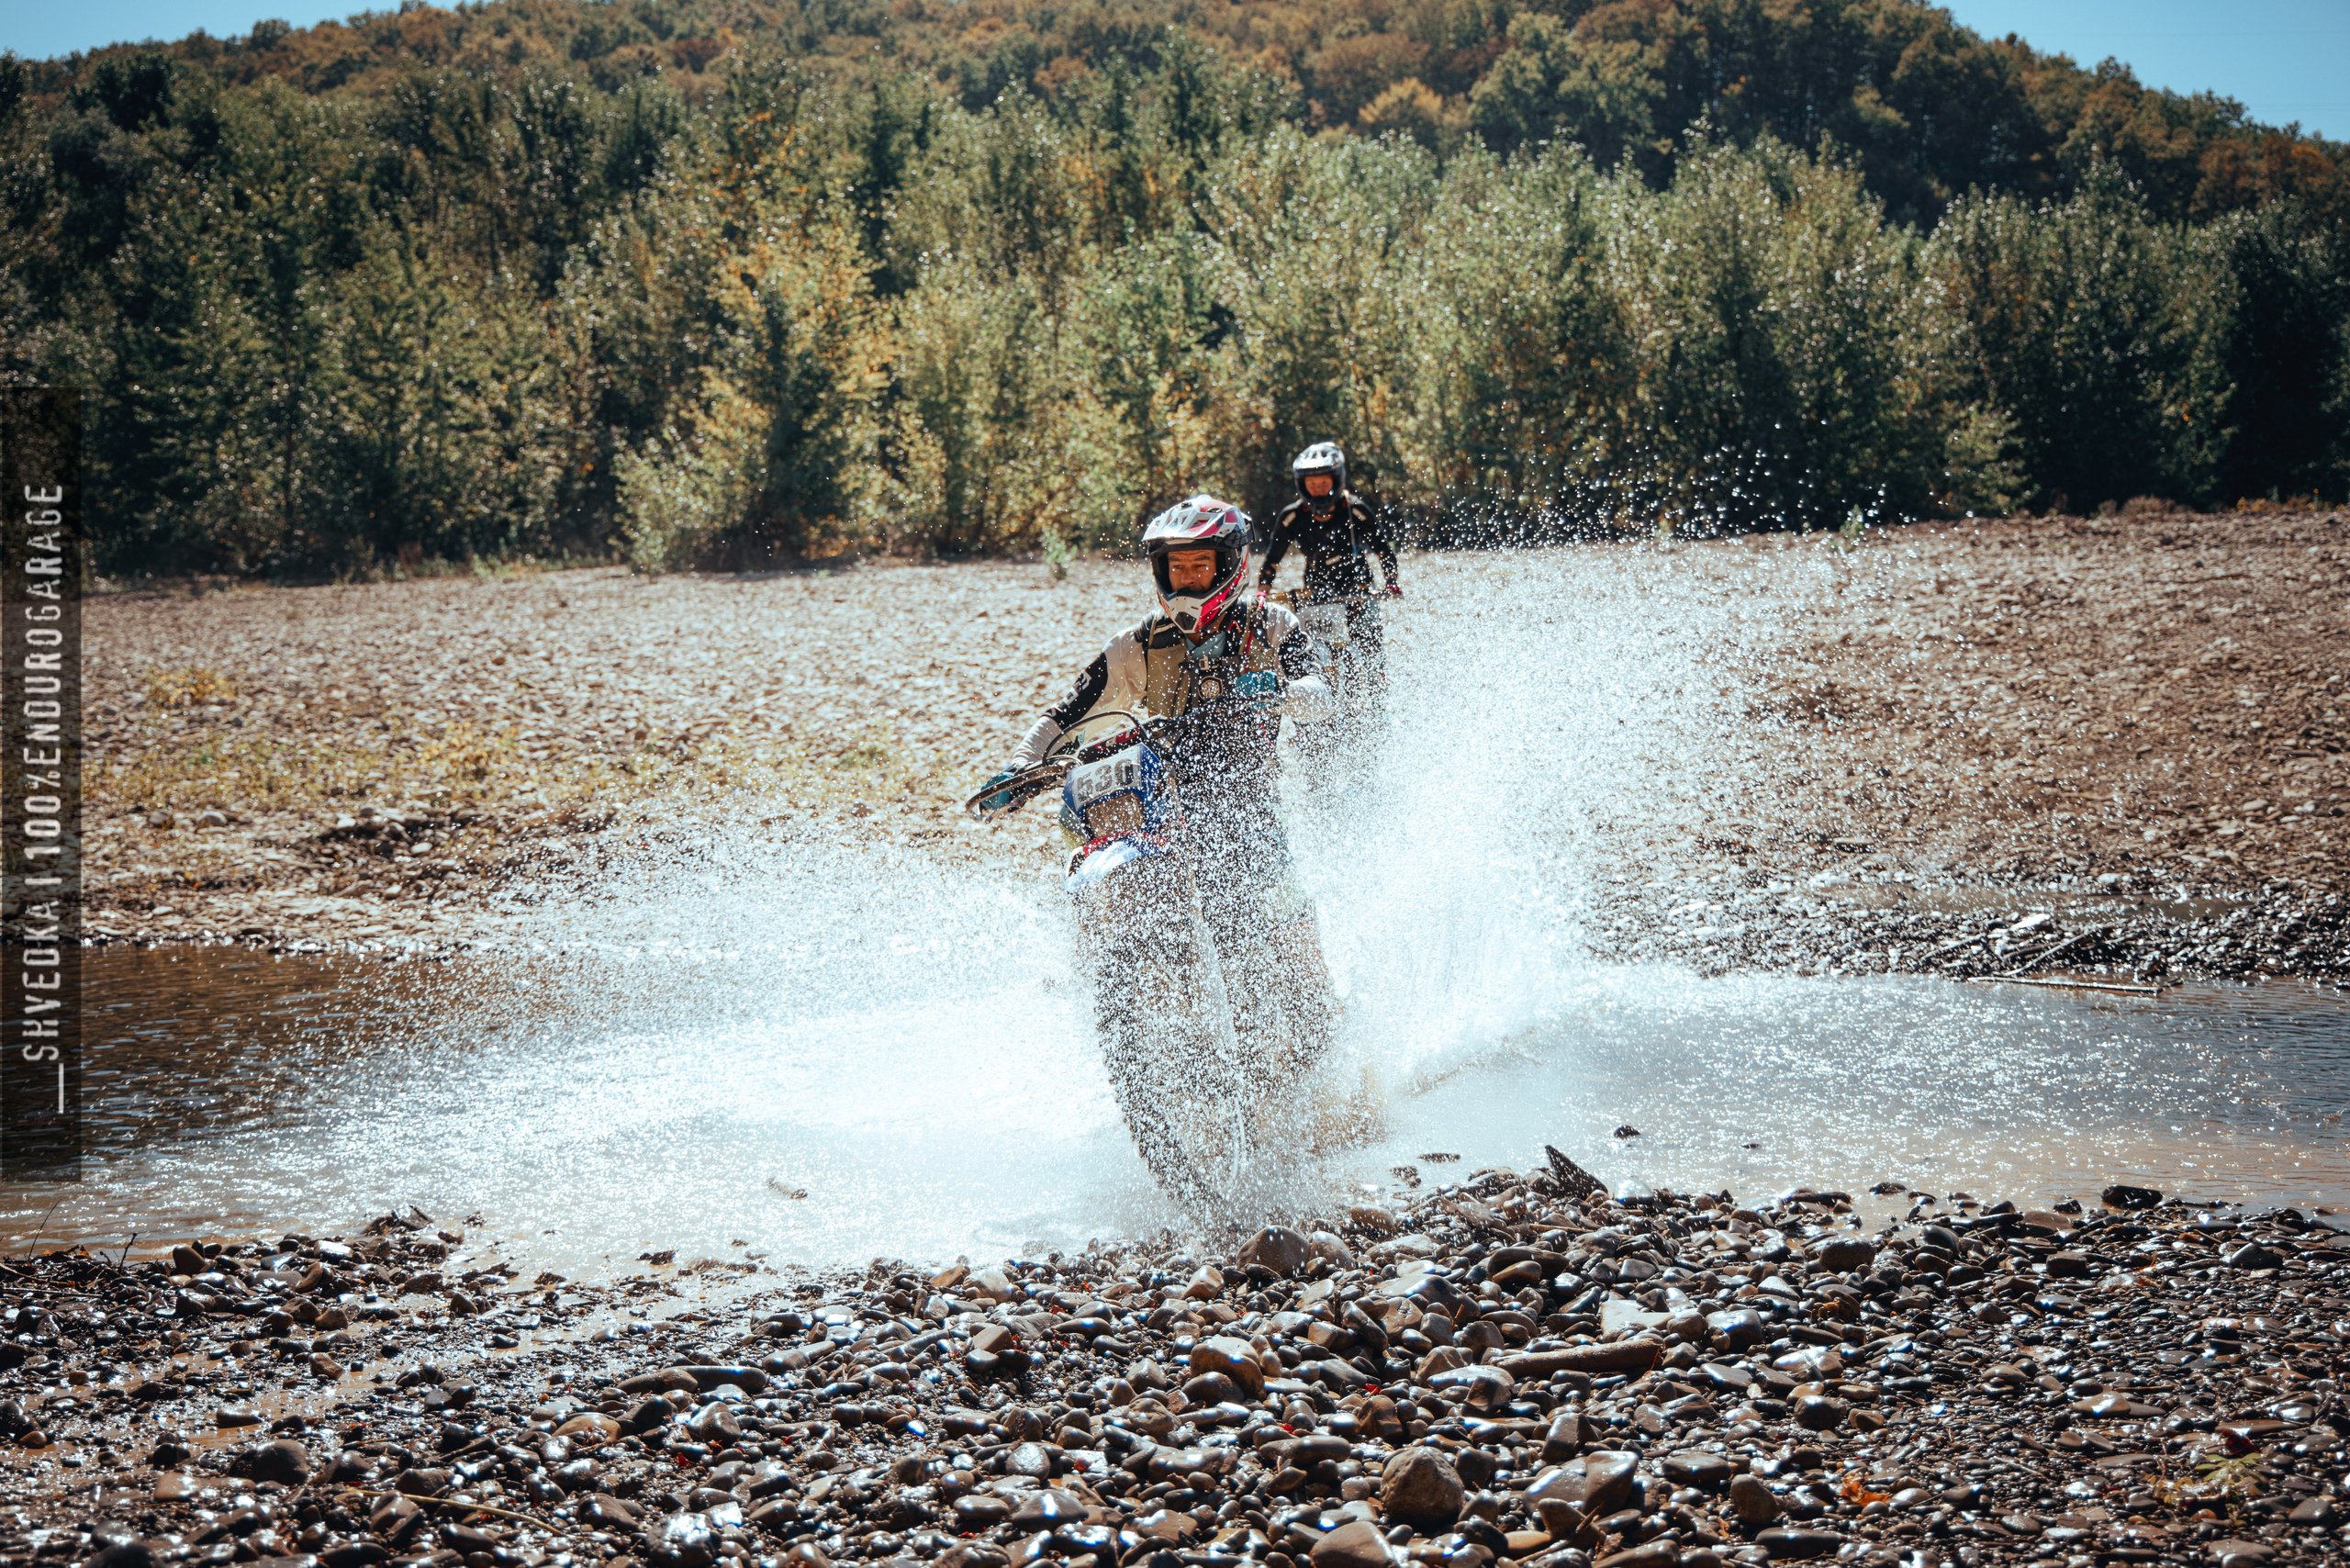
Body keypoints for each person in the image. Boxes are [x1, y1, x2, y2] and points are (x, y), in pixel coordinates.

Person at [976, 494, 1337, 1052]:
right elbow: (1069, 712)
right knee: (1096, 841)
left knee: (1288, 928)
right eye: (1176, 567)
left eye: (1200, 566)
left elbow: (1322, 693)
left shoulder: (1270, 624)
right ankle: (1121, 993)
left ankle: (1322, 1031)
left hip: (1246, 798)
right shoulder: (1137, 643)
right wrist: (1022, 763)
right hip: (1160, 791)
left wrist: (1283, 690)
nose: (1187, 581)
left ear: (1230, 563)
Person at [1257, 442, 1401, 671]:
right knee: (1317, 648)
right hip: (1315, 588)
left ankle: (1376, 694)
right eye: (1312, 484)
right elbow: (1272, 559)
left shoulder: (1355, 510)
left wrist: (1391, 580)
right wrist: (1263, 592)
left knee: (1369, 645)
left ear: (1337, 479)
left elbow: (1382, 548)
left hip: (1359, 586)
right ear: (1302, 485)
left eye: (1324, 483)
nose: (1318, 489)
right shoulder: (1292, 516)